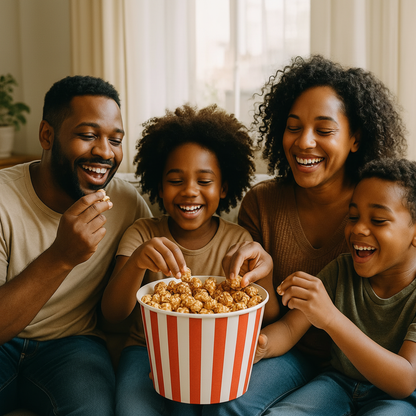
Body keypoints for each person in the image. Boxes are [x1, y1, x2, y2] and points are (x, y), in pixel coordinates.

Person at [202, 55, 407, 415]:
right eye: (293, 127)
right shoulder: (262, 203)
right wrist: (263, 274)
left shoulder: (382, 211)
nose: (304, 142)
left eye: (324, 130)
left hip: (357, 366)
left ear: (355, 137)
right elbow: (268, 318)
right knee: (227, 401)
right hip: (291, 350)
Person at [101, 104, 279, 416]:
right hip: (147, 350)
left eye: (204, 181)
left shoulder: (239, 242)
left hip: (215, 355)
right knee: (132, 410)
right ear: (158, 185)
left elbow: (268, 314)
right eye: (175, 180)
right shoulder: (142, 234)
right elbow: (113, 315)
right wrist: (138, 262)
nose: (189, 191)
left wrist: (265, 270)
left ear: (224, 188)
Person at [0, 75, 152, 415]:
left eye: (115, 140)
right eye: (88, 135)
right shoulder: (3, 199)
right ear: (47, 135)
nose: (104, 151)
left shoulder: (127, 204)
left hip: (73, 346)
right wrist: (61, 256)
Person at [257, 157, 416, 415]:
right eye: (353, 217)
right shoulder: (341, 270)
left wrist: (330, 318)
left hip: (394, 399)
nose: (358, 229)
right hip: (337, 382)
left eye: (377, 220)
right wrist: (261, 345)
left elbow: (404, 381)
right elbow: (289, 327)